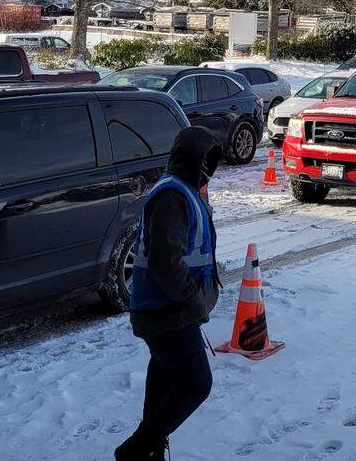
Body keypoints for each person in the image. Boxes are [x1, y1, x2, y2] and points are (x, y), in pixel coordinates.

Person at [116, 126, 224, 461]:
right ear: (189, 158)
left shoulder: (184, 190)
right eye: (204, 159)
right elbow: (166, 262)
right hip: (168, 311)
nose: (208, 167)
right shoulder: (172, 196)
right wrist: (193, 301)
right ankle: (135, 451)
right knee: (195, 384)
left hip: (169, 309)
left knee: (165, 377)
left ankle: (149, 453)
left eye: (212, 160)